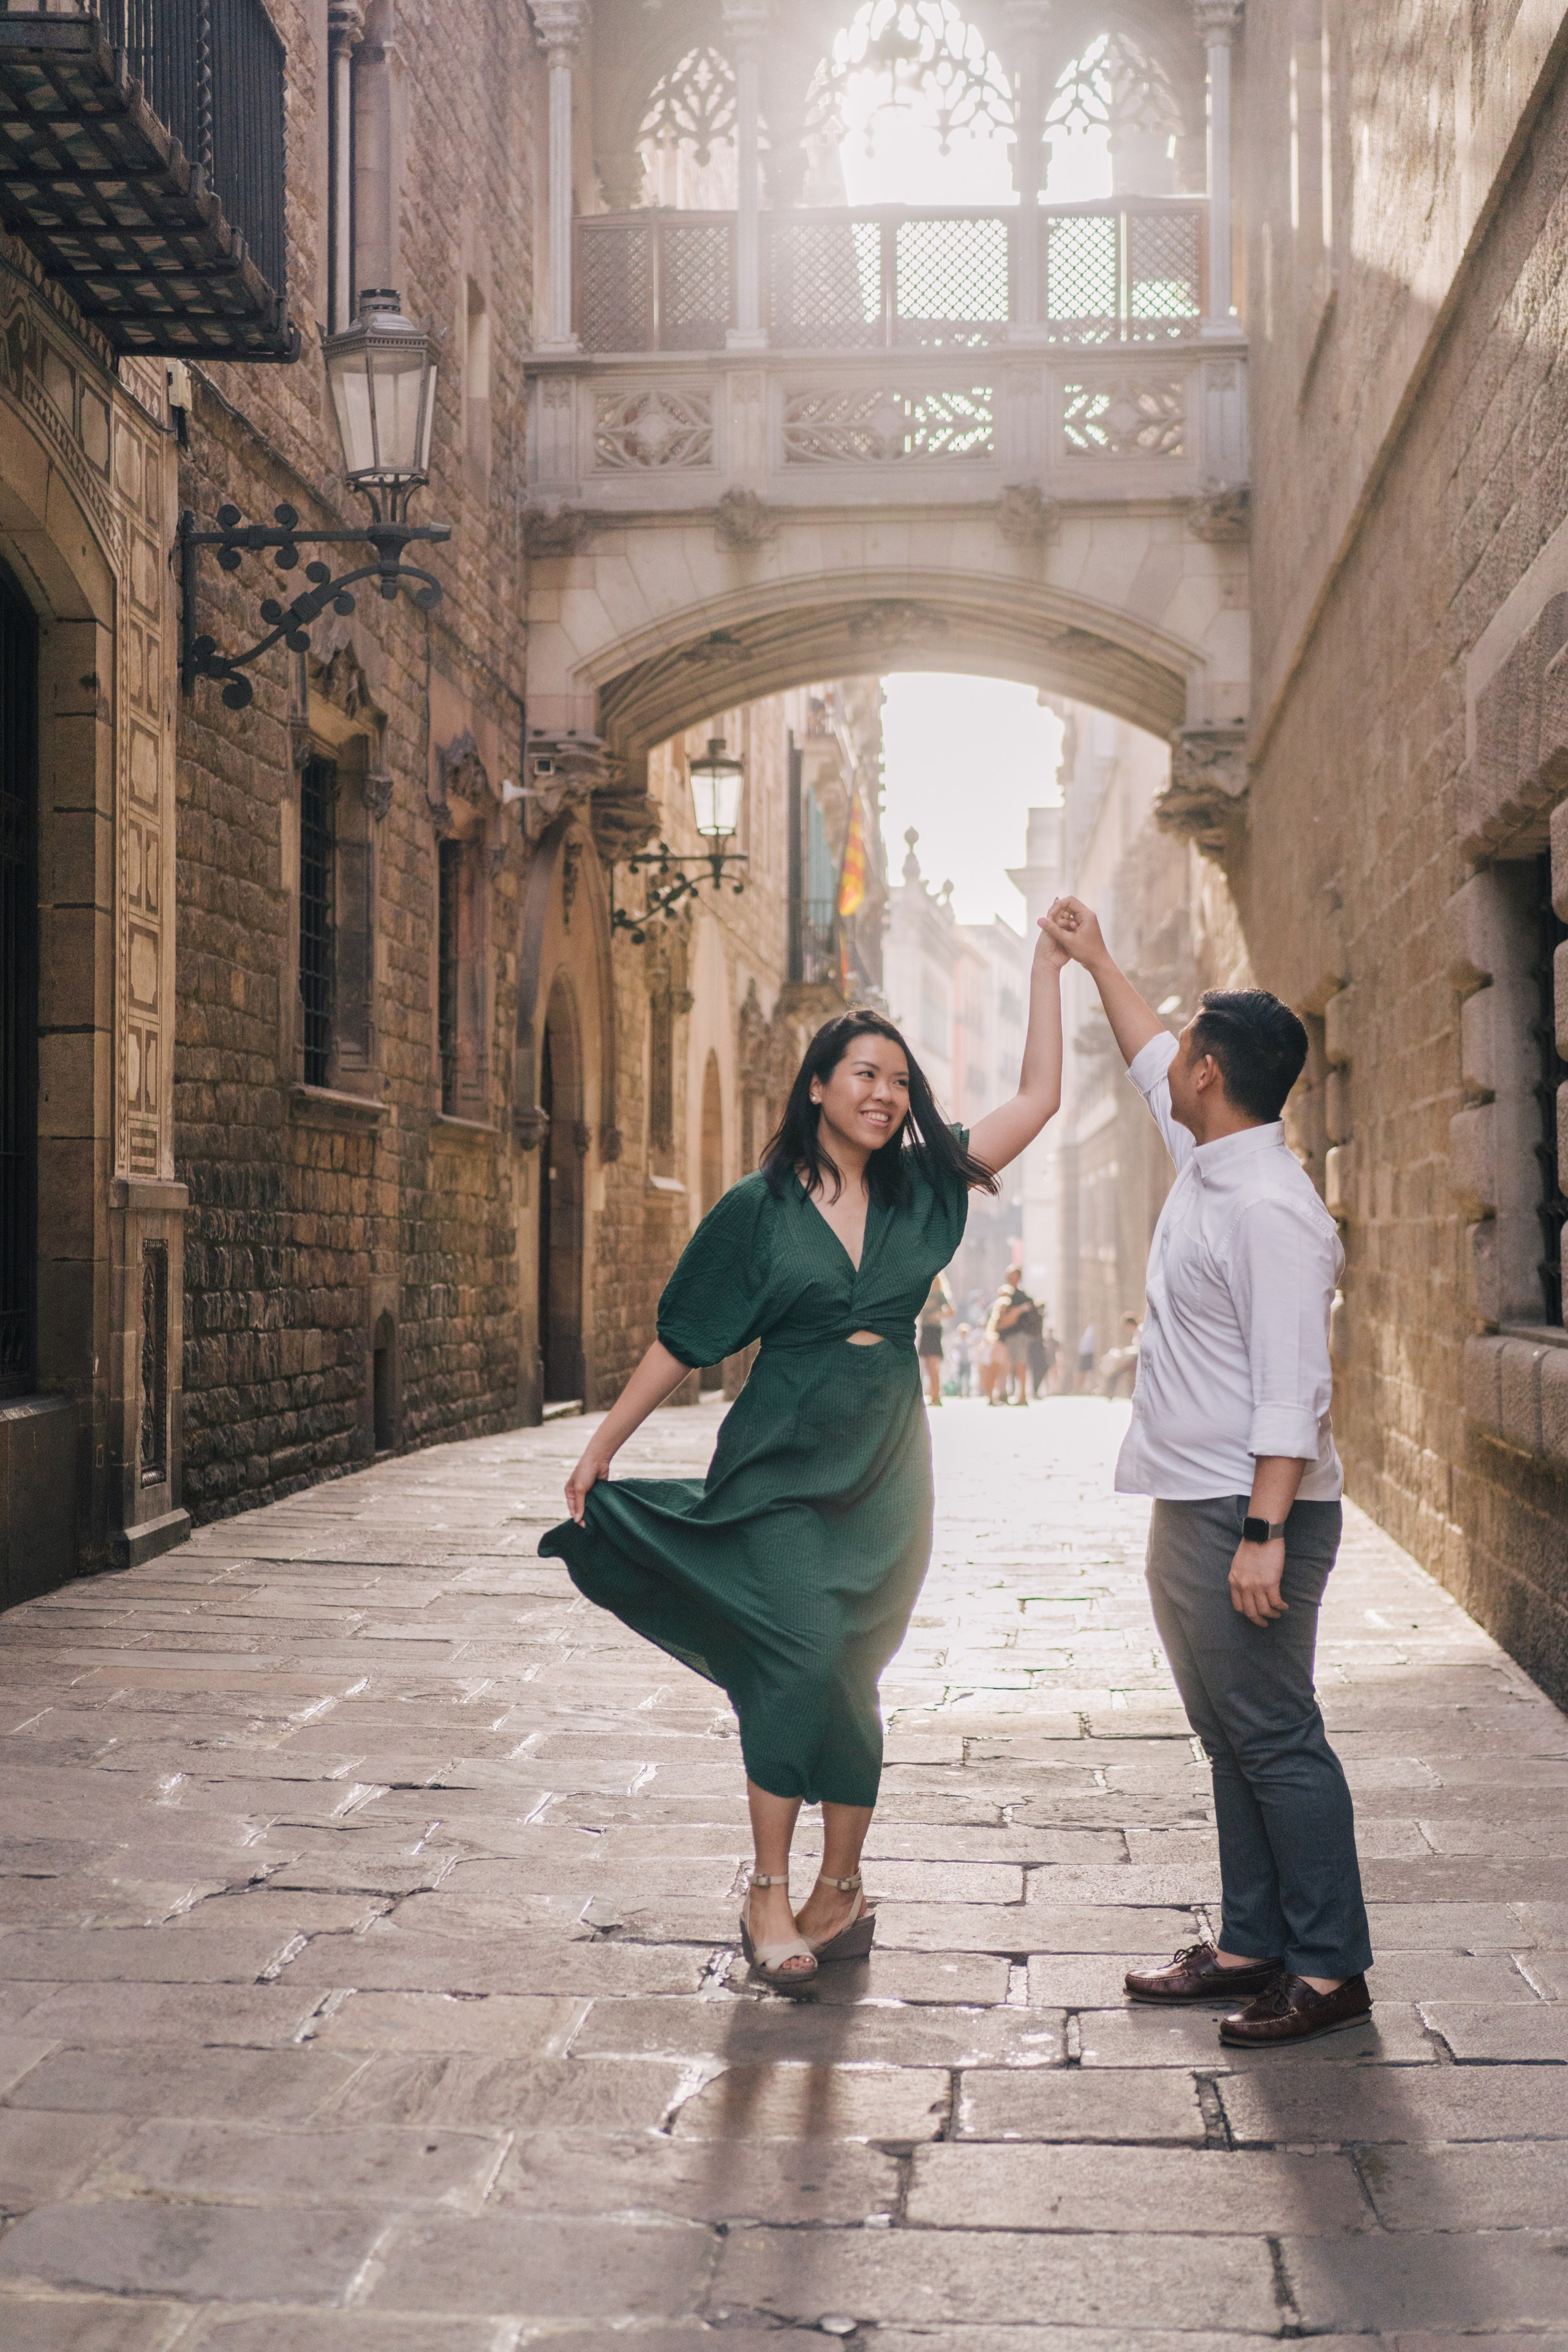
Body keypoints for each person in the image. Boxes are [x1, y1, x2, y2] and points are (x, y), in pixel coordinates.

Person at [541, 935, 1065, 1992]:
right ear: (818, 1085)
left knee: (853, 1666)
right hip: (780, 1454)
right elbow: (685, 1338)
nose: (884, 1093)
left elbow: (1041, 1095)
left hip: (885, 1463)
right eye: (865, 1074)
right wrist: (603, 1444)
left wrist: (1054, 969)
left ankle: (843, 1886)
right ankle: (767, 1887)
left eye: (900, 1080)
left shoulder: (927, 1187)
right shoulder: (759, 1207)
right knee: (800, 1646)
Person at [1043, 894, 1371, 2048]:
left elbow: (1298, 1387)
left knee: (1275, 1734)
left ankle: (1329, 1969)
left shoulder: (1274, 1209)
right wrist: (1094, 957)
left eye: (1186, 1045)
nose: (1168, 1055)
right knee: (1231, 1733)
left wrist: (1264, 1532)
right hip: (1194, 1502)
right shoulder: (1212, 1153)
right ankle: (1251, 1941)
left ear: (1213, 1073)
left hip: (1251, 1511)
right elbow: (1141, 1055)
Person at [918, 1276, 951, 1406]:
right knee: (927, 1365)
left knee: (933, 1365)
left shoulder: (940, 1295)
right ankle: (932, 1395)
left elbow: (951, 1311)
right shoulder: (924, 1293)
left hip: (934, 1330)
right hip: (925, 1329)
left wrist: (938, 1315)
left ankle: (937, 1396)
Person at [952, 1321, 974, 1398]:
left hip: (968, 1361)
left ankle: (967, 1392)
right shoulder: (957, 1342)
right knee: (959, 1378)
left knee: (968, 1378)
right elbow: (953, 1352)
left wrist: (972, 1359)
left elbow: (973, 1351)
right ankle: (960, 1392)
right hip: (960, 1362)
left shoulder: (969, 1342)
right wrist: (954, 1360)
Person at [1075, 1321, 1098, 1393]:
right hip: (1084, 1354)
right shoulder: (1087, 1330)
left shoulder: (1093, 1329)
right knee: (1082, 1371)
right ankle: (1080, 1389)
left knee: (1084, 1372)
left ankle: (1084, 1389)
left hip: (1087, 1354)